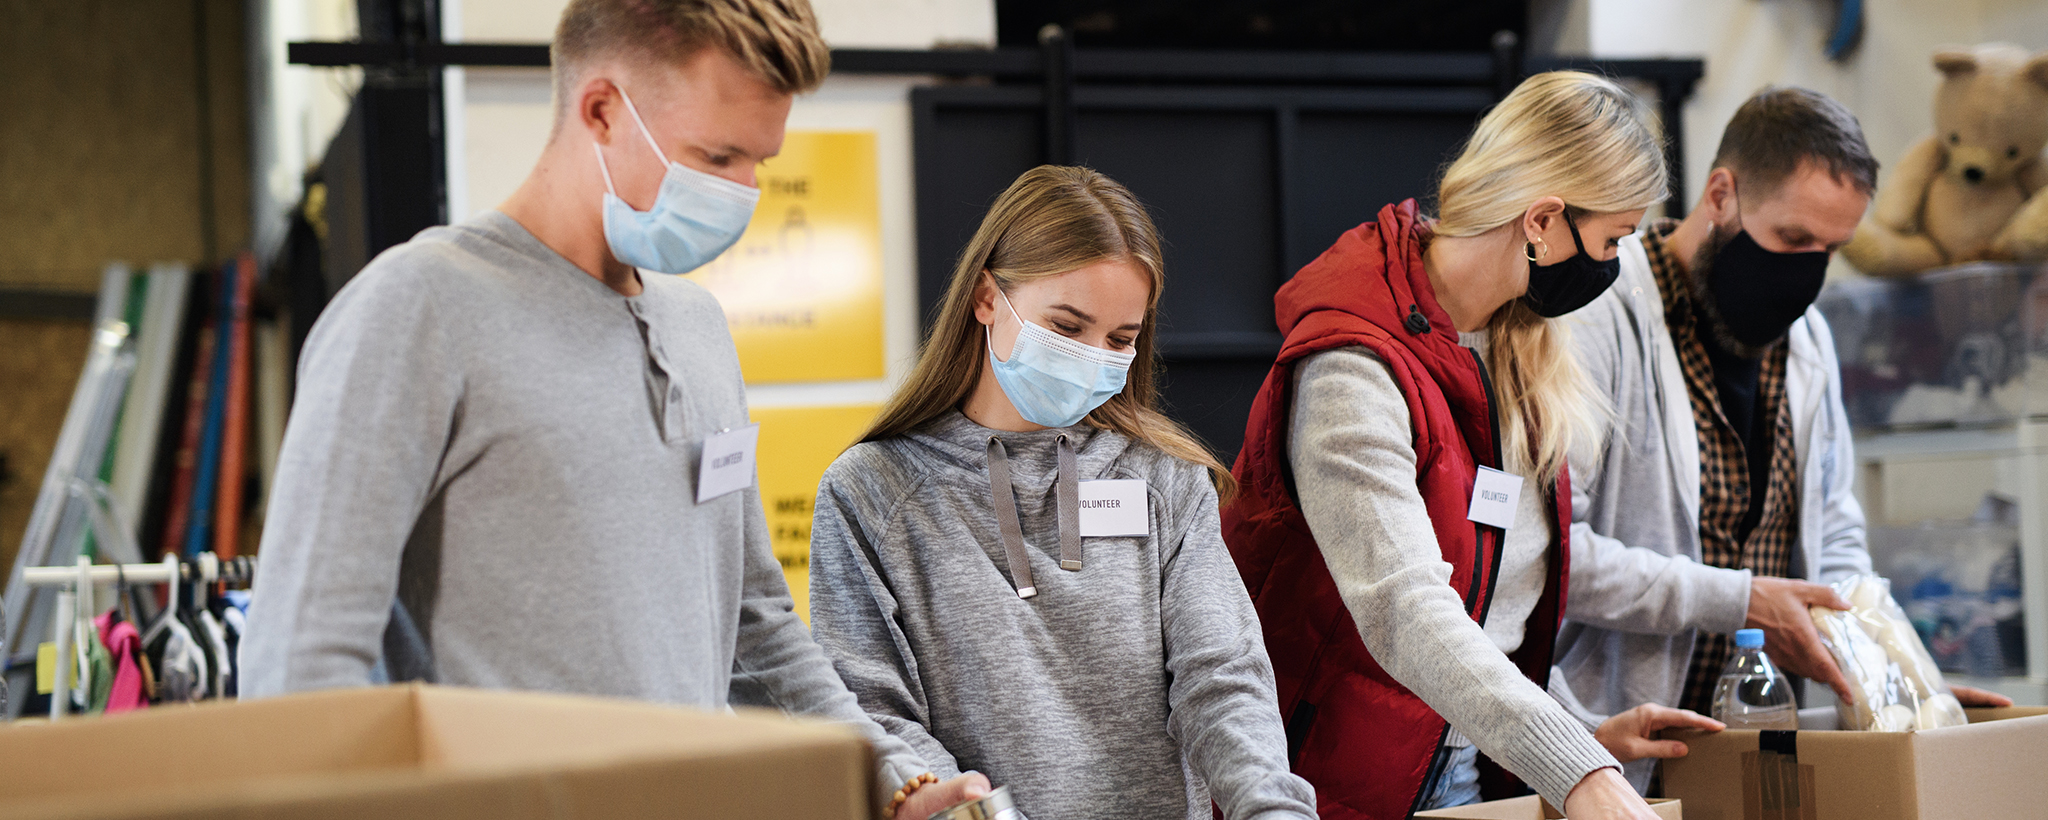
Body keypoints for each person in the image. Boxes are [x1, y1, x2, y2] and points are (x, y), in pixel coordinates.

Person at [238, 1, 982, 816]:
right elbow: (302, 665)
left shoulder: (698, 329)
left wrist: (889, 774)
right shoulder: (417, 309)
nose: (744, 193)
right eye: (717, 156)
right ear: (600, 109)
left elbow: (754, 620)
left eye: (758, 162)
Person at [1222, 72, 1721, 820]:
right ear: (1544, 220)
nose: (1613, 267)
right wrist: (1578, 769)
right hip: (1331, 783)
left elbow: (1494, 595)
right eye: (1612, 238)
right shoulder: (1353, 368)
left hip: (1463, 769)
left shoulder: (1516, 347)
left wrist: (1578, 732)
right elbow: (1405, 609)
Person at [805, 166, 1319, 820]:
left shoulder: (1165, 478)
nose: (1092, 356)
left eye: (1120, 340)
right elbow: (871, 709)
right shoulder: (871, 493)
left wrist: (1272, 808)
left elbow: (1222, 680)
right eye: (1068, 326)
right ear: (987, 297)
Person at [1558, 86, 2011, 789]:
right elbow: (1559, 555)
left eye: (1831, 248)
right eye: (1793, 239)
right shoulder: (1600, 319)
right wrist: (1737, 602)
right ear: (1722, 193)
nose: (1807, 270)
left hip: (1762, 753)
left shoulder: (1808, 340)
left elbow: (1835, 542)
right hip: (1614, 752)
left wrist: (1904, 684)